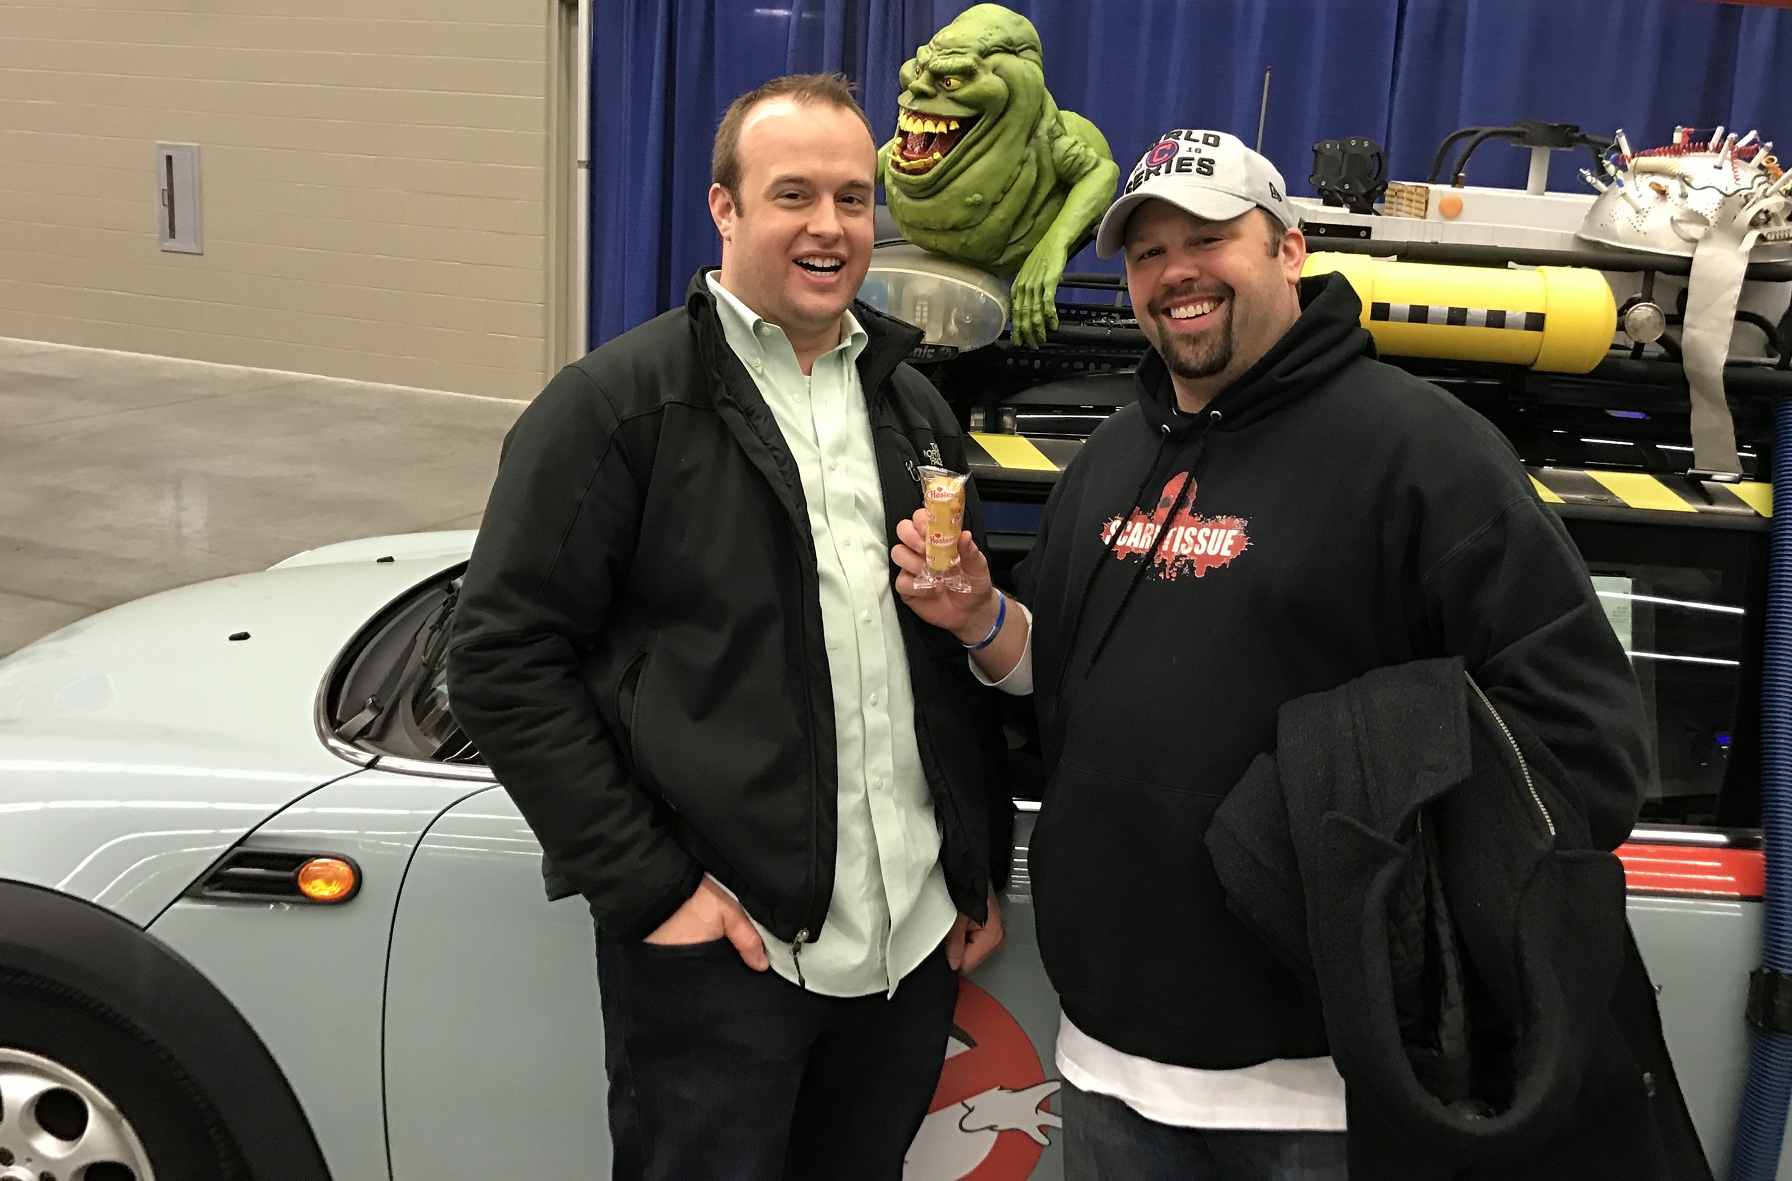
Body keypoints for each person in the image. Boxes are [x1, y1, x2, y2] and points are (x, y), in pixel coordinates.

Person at [894, 129, 1656, 1180]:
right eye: (1148, 253)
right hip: (1108, 1063)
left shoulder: (1422, 452)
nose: (1176, 273)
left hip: (1330, 1093)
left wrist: (1357, 871)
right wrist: (982, 618)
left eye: (1208, 239)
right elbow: (1061, 682)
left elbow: (1583, 742)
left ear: (1289, 250)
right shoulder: (1110, 460)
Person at [448, 72, 1009, 1181]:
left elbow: (939, 664)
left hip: (905, 952)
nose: (828, 226)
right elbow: (500, 657)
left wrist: (970, 863)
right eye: (792, 194)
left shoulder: (911, 408)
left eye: (853, 199)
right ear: (725, 207)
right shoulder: (617, 406)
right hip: (727, 957)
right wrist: (650, 889)